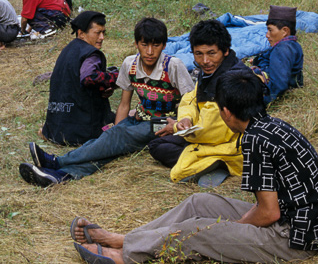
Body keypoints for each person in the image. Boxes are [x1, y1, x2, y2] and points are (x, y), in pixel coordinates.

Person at [69, 69, 318, 264]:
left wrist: (234, 228)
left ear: (226, 112)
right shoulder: (271, 125)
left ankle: (126, 255)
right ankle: (127, 238)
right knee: (198, 203)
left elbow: (269, 212)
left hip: (293, 240)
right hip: (290, 221)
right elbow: (272, 205)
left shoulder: (255, 139)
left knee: (197, 229)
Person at [21, 18, 194, 187]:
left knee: (116, 137)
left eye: (156, 45)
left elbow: (191, 101)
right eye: (144, 45)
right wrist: (117, 129)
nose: (149, 51)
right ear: (136, 44)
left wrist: (180, 125)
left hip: (164, 123)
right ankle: (62, 175)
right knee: (109, 144)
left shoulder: (173, 66)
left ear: (164, 46)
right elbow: (124, 104)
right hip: (140, 118)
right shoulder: (130, 64)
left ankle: (56, 162)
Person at [146, 19, 252, 186]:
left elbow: (211, 130)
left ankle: (221, 163)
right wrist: (184, 120)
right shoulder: (211, 71)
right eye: (198, 54)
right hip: (205, 134)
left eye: (211, 53)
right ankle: (210, 163)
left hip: (229, 143)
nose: (205, 61)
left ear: (225, 51)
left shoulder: (234, 81)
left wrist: (175, 127)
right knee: (156, 145)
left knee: (165, 147)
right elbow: (190, 98)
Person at [24, 12, 118, 160]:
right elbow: (89, 78)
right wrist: (115, 78)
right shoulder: (91, 54)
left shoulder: (69, 49)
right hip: (83, 130)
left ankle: (46, 132)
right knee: (119, 122)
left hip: (56, 128)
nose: (102, 38)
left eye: (103, 33)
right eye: (97, 33)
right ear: (81, 33)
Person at [250, 5, 303, 105]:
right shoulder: (293, 45)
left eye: (270, 30)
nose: (267, 35)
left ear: (285, 31)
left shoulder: (281, 50)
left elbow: (279, 85)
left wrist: (260, 102)